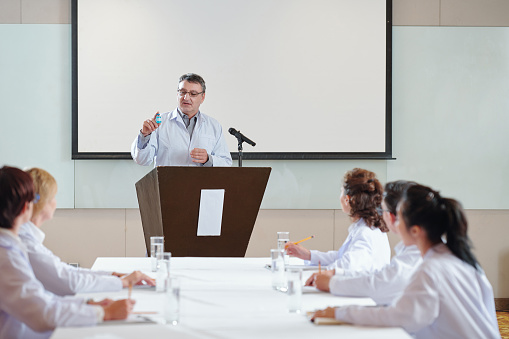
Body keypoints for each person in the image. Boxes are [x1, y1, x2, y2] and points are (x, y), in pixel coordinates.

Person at [312, 184, 501, 339]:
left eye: (399, 218)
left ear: (416, 230)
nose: (394, 222)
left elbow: (399, 315)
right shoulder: (460, 259)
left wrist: (340, 313)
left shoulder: (430, 268)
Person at [0, 166, 134, 339]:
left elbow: (42, 296)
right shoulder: (7, 255)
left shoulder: (11, 246)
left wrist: (88, 304)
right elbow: (43, 313)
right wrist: (103, 313)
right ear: (27, 207)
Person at [19, 167, 155, 296]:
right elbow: (67, 281)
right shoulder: (25, 243)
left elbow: (66, 271)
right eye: (53, 197)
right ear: (41, 202)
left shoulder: (28, 237)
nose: (55, 202)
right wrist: (121, 282)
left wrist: (112, 275)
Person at [305, 180, 422, 305]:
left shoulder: (416, 256)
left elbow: (378, 282)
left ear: (391, 216)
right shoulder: (412, 249)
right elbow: (376, 274)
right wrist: (335, 273)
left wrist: (332, 281)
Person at [286, 168, 390, 273]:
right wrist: (308, 255)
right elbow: (342, 256)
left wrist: (323, 274)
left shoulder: (364, 233)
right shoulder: (368, 226)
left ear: (347, 200)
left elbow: (348, 264)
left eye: (341, 192)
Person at [131, 73, 232, 167]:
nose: (186, 97)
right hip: (169, 184)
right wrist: (145, 135)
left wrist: (208, 159)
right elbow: (142, 160)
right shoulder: (160, 122)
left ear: (202, 97)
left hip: (201, 184)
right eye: (182, 92)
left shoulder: (213, 125)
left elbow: (226, 163)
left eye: (193, 94)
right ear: (177, 94)